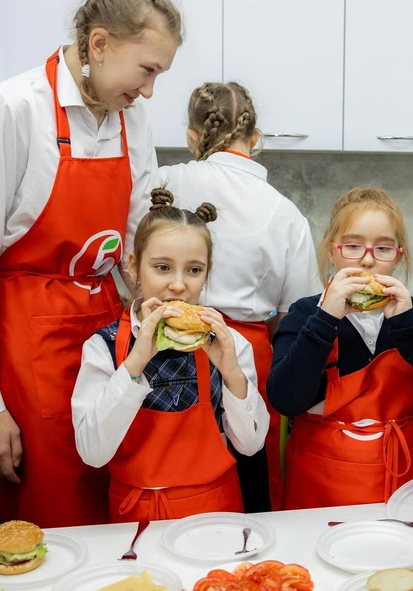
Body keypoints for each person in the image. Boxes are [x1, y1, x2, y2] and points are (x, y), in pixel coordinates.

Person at [0, 0, 181, 527]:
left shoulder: (130, 117)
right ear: (99, 44)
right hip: (28, 342)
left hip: (106, 332)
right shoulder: (13, 107)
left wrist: (163, 319)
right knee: (51, 508)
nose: (148, 91)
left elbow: (141, 240)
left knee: (115, 495)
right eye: (146, 70)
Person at [159, 82, 320, 512]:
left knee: (168, 469)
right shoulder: (285, 212)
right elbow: (296, 318)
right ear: (254, 138)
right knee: (249, 472)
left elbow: (129, 268)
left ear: (193, 136)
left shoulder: (162, 182)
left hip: (162, 346)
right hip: (249, 351)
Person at [71, 188, 269, 521]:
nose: (178, 285)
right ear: (134, 266)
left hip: (216, 512)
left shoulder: (228, 342)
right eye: (163, 267)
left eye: (194, 270)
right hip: (135, 517)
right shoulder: (103, 347)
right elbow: (92, 453)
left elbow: (250, 445)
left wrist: (232, 372)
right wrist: (135, 363)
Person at [267, 187, 413, 509]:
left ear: (398, 256)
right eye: (352, 245)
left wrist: (409, 326)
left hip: (403, 482)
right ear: (331, 252)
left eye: (383, 248)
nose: (367, 259)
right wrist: (326, 318)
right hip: (320, 483)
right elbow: (285, 399)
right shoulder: (306, 314)